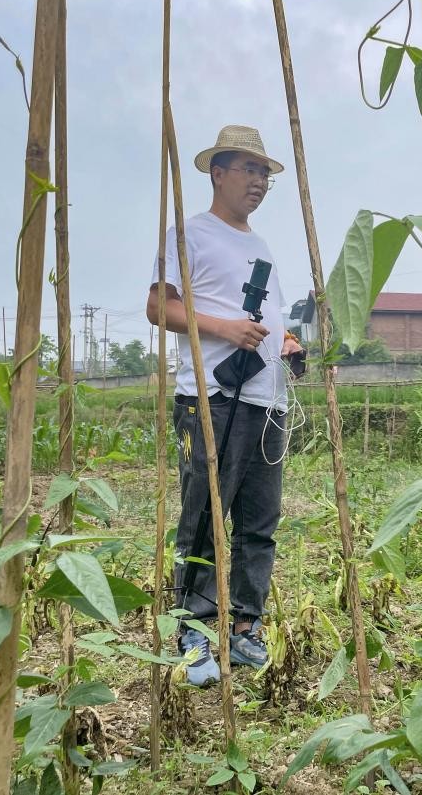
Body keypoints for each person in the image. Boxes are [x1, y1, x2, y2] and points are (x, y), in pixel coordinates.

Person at [146, 125, 303, 687]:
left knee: (259, 523)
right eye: (249, 170)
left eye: (264, 174)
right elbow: (159, 308)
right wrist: (224, 328)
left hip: (267, 400)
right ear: (217, 173)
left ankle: (245, 627)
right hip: (212, 398)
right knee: (204, 517)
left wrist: (286, 341)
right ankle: (192, 629)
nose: (259, 181)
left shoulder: (261, 246)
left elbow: (272, 316)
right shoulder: (188, 233)